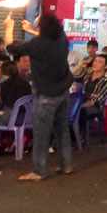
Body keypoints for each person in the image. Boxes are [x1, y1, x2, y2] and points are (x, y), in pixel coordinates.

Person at [18, 15, 74, 180]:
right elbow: (45, 40)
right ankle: (66, 165)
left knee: (42, 133)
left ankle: (39, 171)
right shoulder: (62, 39)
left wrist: (8, 29)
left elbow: (12, 48)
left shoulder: (37, 44)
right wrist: (30, 30)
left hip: (47, 94)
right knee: (62, 129)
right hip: (64, 90)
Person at [79, 54, 107, 136]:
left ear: (106, 66)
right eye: (95, 61)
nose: (95, 63)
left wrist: (80, 106)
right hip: (82, 102)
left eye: (99, 62)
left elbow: (96, 100)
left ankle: (80, 136)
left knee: (79, 112)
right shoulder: (87, 76)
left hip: (95, 106)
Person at [0, 61, 33, 126]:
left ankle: (0, 136)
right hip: (28, 117)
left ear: (3, 72)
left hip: (12, 117)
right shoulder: (26, 84)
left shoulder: (2, 86)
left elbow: (0, 104)